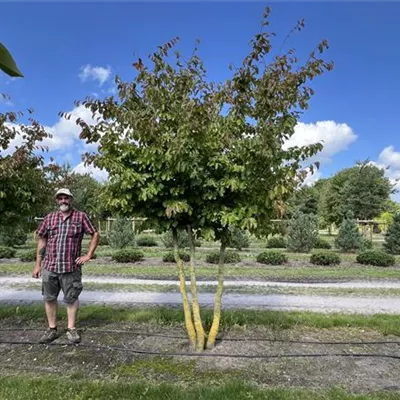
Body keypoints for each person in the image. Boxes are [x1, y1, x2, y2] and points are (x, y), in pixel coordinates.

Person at [32, 188, 100, 344]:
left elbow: (95, 233)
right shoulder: (50, 218)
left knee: (71, 298)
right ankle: (52, 330)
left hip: (71, 267)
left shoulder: (81, 217)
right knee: (49, 298)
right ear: (57, 200)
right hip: (50, 266)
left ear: (71, 199)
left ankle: (71, 329)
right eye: (60, 198)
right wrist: (38, 264)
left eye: (66, 198)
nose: (63, 201)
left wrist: (88, 255)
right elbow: (42, 240)